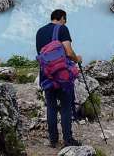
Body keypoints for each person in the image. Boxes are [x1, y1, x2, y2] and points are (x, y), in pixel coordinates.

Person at [36, 9, 82, 148]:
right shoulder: (62, 29)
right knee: (66, 107)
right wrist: (77, 58)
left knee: (51, 107)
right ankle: (68, 139)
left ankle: (53, 140)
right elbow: (68, 51)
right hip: (62, 75)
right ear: (62, 18)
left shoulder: (40, 31)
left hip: (46, 74)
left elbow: (40, 54)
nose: (65, 22)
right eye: (65, 20)